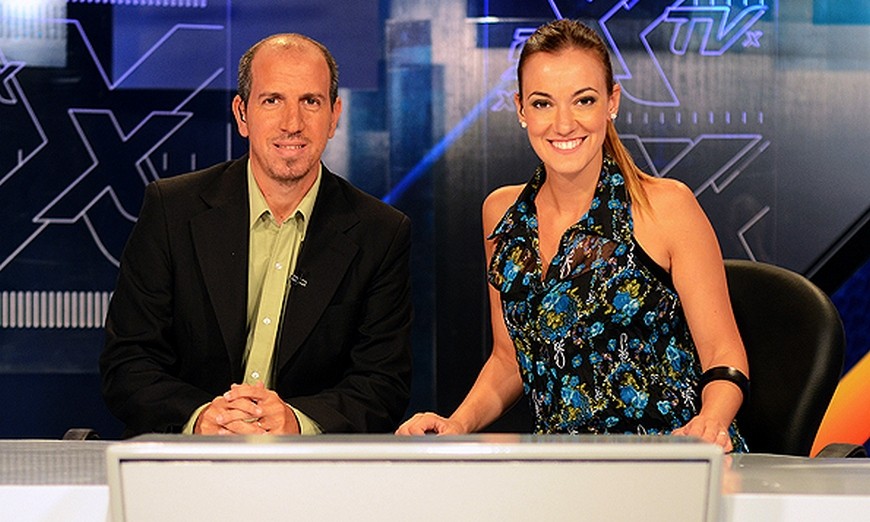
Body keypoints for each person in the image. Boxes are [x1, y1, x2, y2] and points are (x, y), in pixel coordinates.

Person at [397, 19, 749, 452]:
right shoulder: (502, 214)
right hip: (561, 467)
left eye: (584, 100)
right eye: (543, 103)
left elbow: (723, 354)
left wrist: (710, 423)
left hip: (673, 457)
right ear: (521, 109)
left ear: (612, 102)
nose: (563, 124)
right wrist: (457, 424)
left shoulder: (666, 207)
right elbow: (510, 359)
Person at [100, 33, 413, 438]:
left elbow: (382, 384)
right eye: (272, 100)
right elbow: (128, 363)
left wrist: (296, 423)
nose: (292, 124)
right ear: (242, 114)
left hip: (308, 468)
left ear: (334, 116)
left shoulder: (380, 232)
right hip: (186, 461)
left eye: (310, 101)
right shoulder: (171, 210)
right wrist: (202, 418)